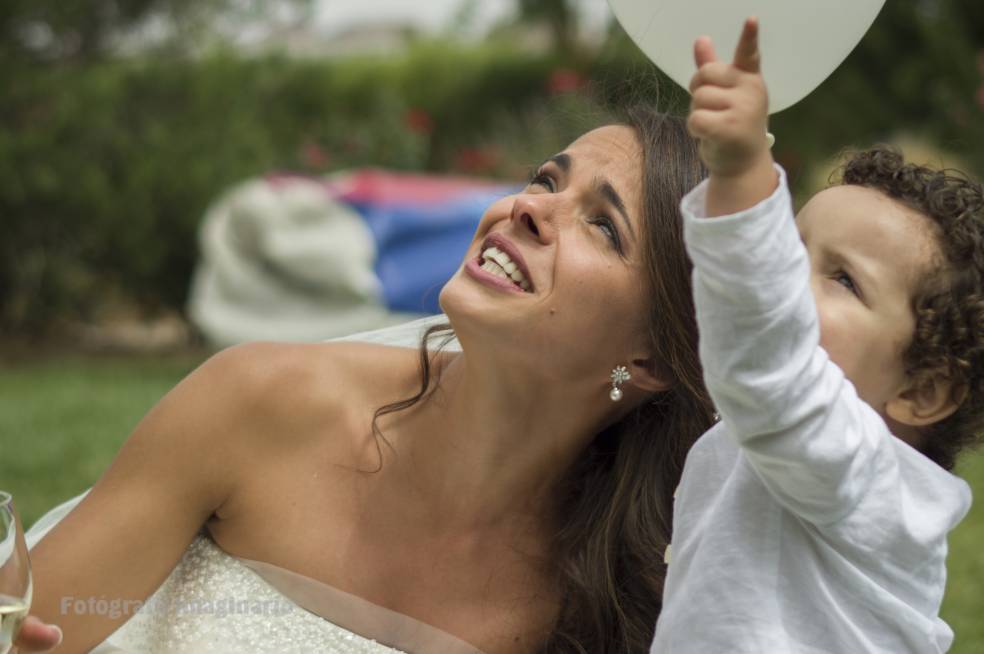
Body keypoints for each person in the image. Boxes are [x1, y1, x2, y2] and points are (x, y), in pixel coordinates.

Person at [27, 108, 714, 654]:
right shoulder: (261, 404)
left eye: (602, 226)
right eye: (545, 179)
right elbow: (32, 633)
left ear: (650, 363)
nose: (528, 207)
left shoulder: (622, 600)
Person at [652, 19, 984, 652]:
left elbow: (766, 357)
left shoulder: (858, 470)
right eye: (790, 248)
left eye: (843, 279)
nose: (788, 282)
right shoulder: (791, 448)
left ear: (923, 390)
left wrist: (745, 172)